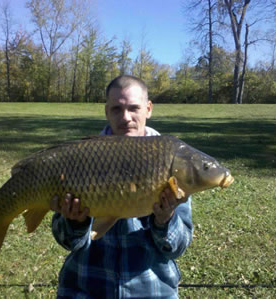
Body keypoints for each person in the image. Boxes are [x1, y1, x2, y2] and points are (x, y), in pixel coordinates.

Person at [50, 75, 193, 298]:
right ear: (106, 111)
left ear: (148, 109)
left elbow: (178, 248)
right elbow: (66, 240)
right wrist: (75, 222)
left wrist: (165, 220)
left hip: (152, 291)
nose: (126, 118)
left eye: (134, 108)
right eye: (117, 109)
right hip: (85, 287)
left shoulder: (172, 160)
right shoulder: (82, 157)